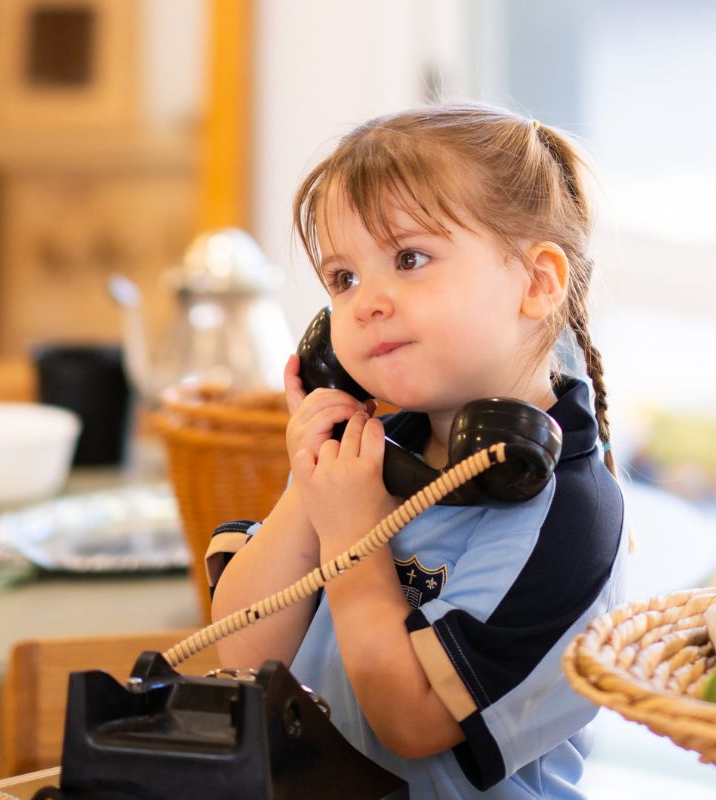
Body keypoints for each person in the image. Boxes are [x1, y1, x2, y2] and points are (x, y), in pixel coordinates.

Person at [210, 103, 626, 799]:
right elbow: (247, 656)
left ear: (537, 281)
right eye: (343, 279)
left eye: (409, 259)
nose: (368, 300)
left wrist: (351, 536)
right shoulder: (368, 461)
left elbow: (414, 720)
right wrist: (310, 486)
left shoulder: (568, 516)